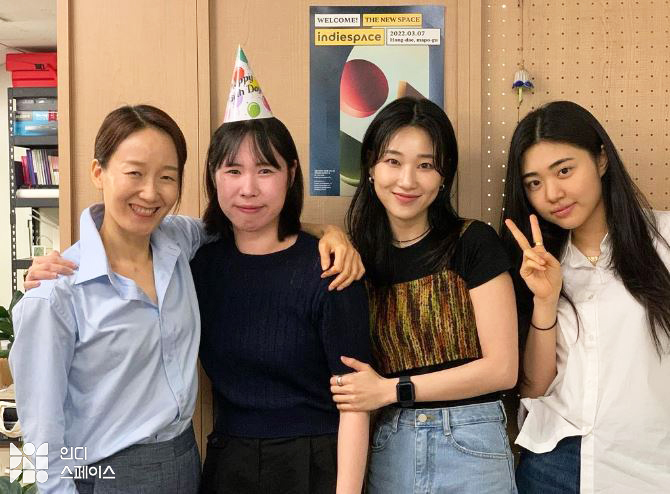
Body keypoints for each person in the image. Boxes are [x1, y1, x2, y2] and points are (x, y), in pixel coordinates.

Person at [13, 105, 363, 494]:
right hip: (103, 474)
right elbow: (39, 436)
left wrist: (329, 232)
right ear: (99, 172)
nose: (150, 192)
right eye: (134, 173)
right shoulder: (56, 292)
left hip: (185, 464)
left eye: (166, 177)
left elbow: (250, 222)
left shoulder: (179, 243)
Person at [331, 97, 519, 493]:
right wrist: (326, 231)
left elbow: (503, 369)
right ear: (370, 167)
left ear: (444, 176)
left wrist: (391, 388)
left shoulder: (473, 242)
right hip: (392, 442)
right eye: (393, 161)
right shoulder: (358, 258)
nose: (407, 181)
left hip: (472, 441)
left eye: (426, 165)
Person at [190, 115, 371, 494]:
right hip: (229, 464)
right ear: (213, 176)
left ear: (291, 174)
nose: (248, 189)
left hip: (316, 464)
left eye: (265, 170)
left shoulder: (330, 267)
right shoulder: (199, 267)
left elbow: (355, 400)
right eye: (233, 170)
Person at [501, 100, 670, 493]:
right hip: (554, 466)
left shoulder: (663, 240)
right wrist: (545, 303)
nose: (552, 193)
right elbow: (534, 388)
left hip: (652, 463)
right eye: (534, 183)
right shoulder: (536, 264)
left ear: (601, 160)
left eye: (564, 170)